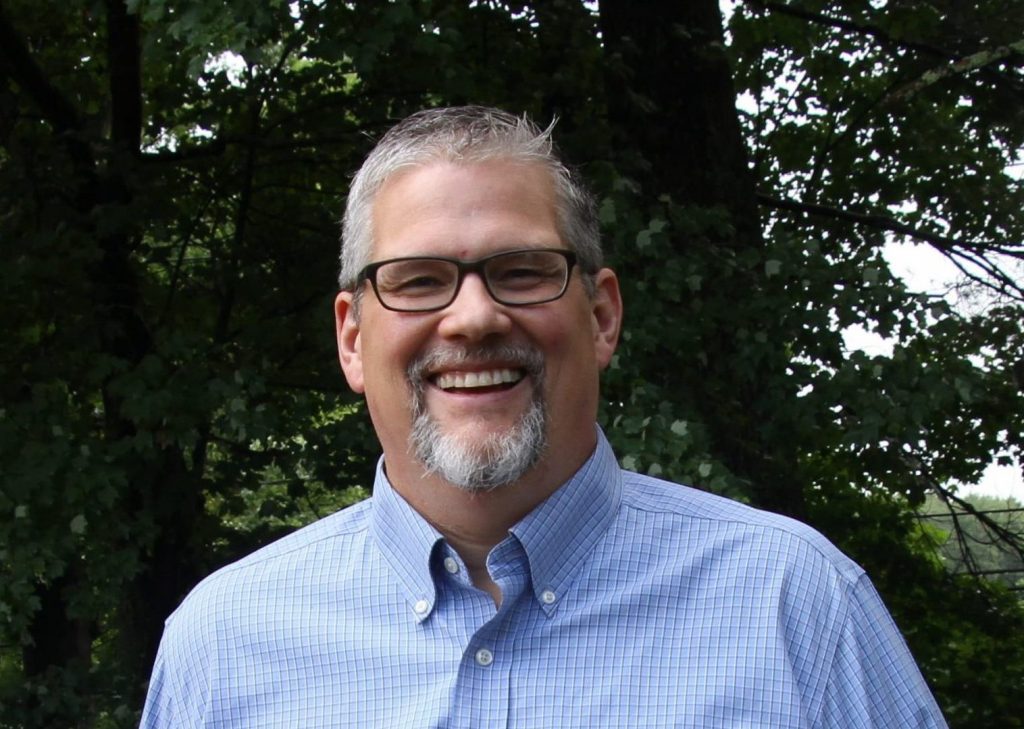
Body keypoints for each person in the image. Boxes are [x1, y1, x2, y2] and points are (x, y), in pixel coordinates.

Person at [140, 106, 947, 728]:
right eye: (419, 280)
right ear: (353, 337)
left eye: (521, 270)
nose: (473, 318)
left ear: (601, 315)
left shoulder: (796, 605)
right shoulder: (223, 644)